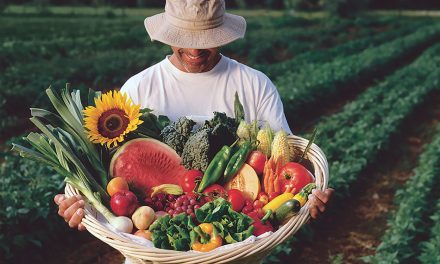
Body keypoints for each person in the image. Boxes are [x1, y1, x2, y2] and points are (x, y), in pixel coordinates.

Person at [54, 0, 334, 233]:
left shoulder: (255, 85)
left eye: (207, 40)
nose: (195, 50)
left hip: (233, 248)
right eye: (184, 39)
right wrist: (88, 209)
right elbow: (112, 184)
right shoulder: (138, 89)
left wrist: (307, 194)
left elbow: (286, 163)